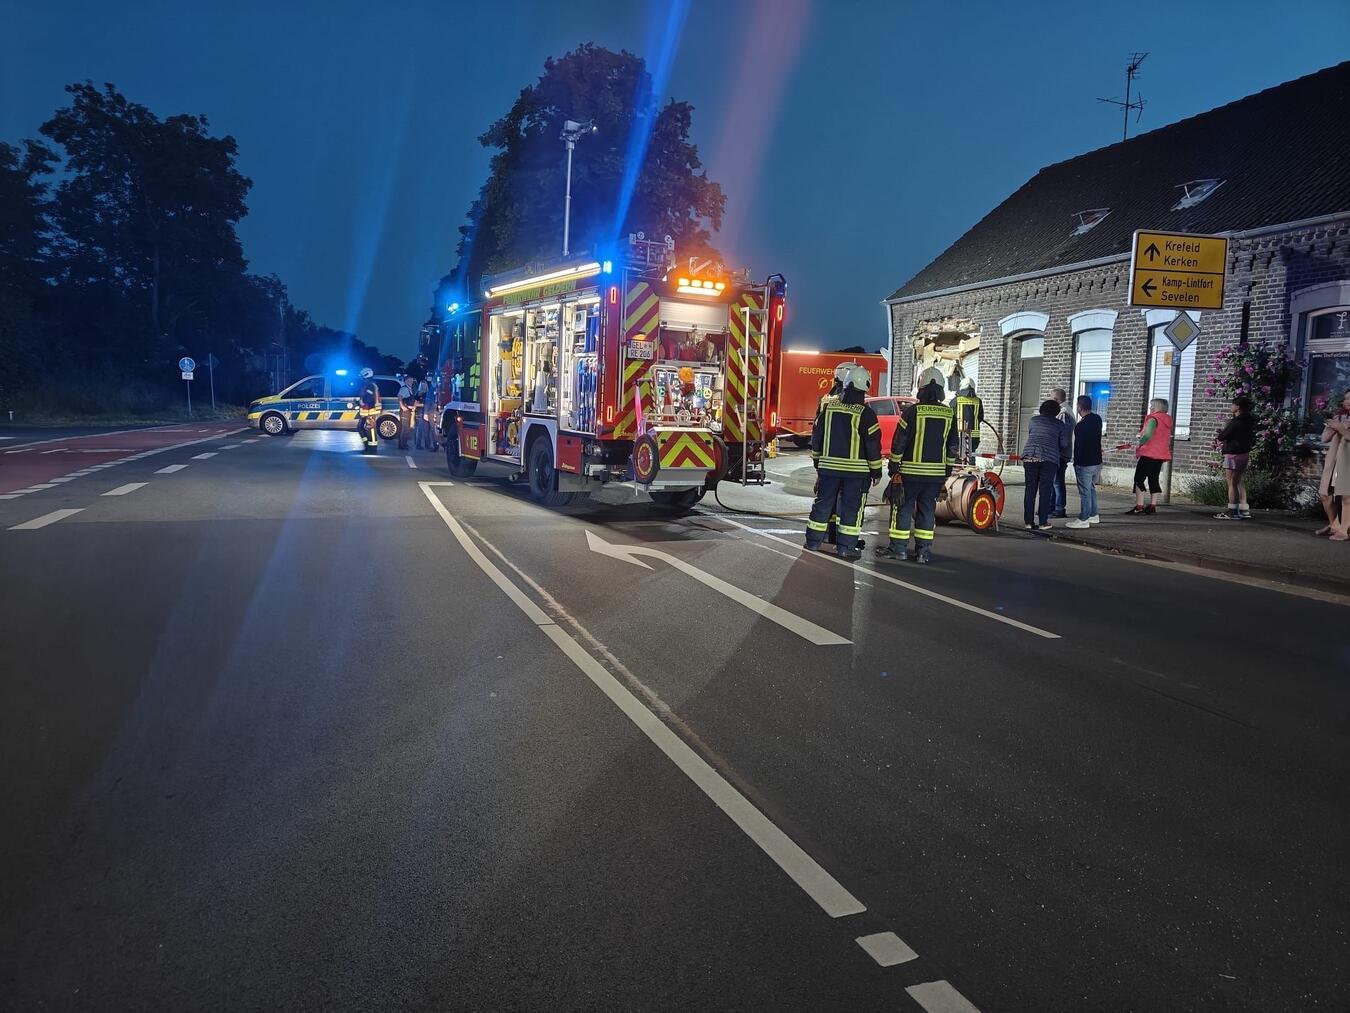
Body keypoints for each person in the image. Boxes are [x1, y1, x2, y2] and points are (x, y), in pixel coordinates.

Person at [875, 379, 958, 564]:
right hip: (935, 475)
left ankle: (899, 549)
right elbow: (953, 445)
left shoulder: (913, 411)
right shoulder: (948, 413)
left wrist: (894, 467)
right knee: (927, 511)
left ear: (922, 391)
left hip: (910, 473)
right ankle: (923, 552)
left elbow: (900, 441)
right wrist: (947, 470)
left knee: (902, 508)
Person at [806, 365, 882, 561]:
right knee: (850, 509)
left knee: (822, 505)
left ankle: (813, 542)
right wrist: (876, 472)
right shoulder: (866, 414)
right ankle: (845, 547)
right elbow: (872, 445)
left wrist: (817, 462)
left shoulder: (829, 409)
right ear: (864, 388)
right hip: (856, 474)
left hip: (828, 469)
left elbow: (817, 438)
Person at [817, 361, 864, 549]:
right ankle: (844, 540)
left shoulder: (825, 400)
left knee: (826, 500)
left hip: (827, 461)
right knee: (847, 504)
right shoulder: (853, 404)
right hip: (851, 463)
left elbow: (817, 431)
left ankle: (826, 535)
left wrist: (817, 460)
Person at [1022, 399, 1070, 530]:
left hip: (1029, 456)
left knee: (1030, 489)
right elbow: (1064, 444)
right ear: (1056, 411)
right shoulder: (1060, 424)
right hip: (1048, 458)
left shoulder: (1033, 420)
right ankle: (1043, 522)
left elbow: (1033, 434)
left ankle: (1028, 522)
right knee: (1045, 490)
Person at [1127, 398, 1174, 515]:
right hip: (1160, 455)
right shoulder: (1167, 420)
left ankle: (1139, 506)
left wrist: (1140, 441)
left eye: (1152, 406)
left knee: (1139, 479)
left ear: (1157, 407)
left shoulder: (1153, 419)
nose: (1150, 408)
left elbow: (1148, 434)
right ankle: (1152, 505)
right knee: (1154, 478)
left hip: (1149, 453)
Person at [1214, 396, 1255, 520]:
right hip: (1244, 454)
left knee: (1231, 483)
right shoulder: (1250, 421)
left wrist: (1222, 432)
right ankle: (1243, 508)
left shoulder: (1236, 421)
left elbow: (1222, 436)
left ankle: (1232, 510)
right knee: (1239, 481)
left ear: (1238, 407)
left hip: (1233, 454)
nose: (1231, 407)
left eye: (1232, 405)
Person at [1065, 395, 1103, 529]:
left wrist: (1076, 462)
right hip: (1097, 461)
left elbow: (1079, 447)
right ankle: (1093, 514)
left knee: (1085, 492)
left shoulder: (1080, 426)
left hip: (1085, 463)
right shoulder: (1097, 419)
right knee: (1091, 489)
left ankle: (1084, 518)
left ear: (1079, 407)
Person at [1317, 390, 1350, 541]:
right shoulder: (1340, 417)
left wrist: (1341, 428)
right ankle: (1334, 525)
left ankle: (1345, 530)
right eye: (1346, 398)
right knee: (1325, 493)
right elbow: (1324, 439)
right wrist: (1332, 427)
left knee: (1347, 496)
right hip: (1334, 460)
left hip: (1347, 460)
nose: (1347, 401)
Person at [1049, 387, 1073, 518]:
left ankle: (1059, 508)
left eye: (1051, 398)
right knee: (1054, 482)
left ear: (1056, 399)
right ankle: (1051, 507)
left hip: (1060, 454)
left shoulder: (1063, 413)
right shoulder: (1064, 411)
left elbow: (1063, 435)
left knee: (1057, 482)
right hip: (1059, 453)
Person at [949, 381, 983, 462]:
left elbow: (950, 416)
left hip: (958, 435)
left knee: (957, 458)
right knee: (971, 456)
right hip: (974, 436)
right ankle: (971, 472)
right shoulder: (978, 401)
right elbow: (980, 417)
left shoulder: (956, 400)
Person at [396, 373, 416, 451]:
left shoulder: (410, 389)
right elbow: (400, 397)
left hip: (408, 410)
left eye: (412, 380)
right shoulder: (404, 389)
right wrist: (403, 407)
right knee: (405, 429)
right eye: (409, 380)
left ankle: (404, 444)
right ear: (406, 381)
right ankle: (402, 445)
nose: (411, 381)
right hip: (405, 411)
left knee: (406, 428)